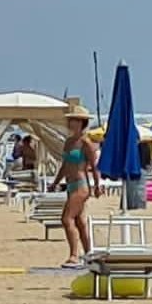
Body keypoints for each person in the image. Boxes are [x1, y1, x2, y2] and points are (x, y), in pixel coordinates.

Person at [52, 111, 102, 267]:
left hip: (81, 185)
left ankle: (74, 255)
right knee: (79, 222)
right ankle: (88, 254)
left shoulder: (86, 143)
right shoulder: (68, 142)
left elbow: (94, 167)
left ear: (81, 122)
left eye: (73, 120)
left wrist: (97, 186)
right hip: (70, 185)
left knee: (66, 219)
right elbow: (65, 166)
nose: (70, 123)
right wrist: (55, 182)